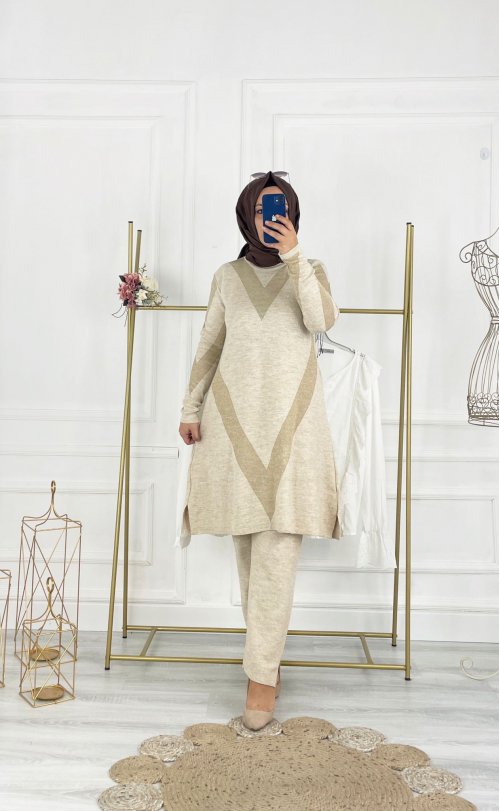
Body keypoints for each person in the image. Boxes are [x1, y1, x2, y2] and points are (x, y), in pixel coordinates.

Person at [178, 171, 341, 730]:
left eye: (282, 208)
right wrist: (190, 407)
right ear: (246, 215)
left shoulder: (311, 271)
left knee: (278, 552)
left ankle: (261, 679)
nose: (272, 218)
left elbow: (320, 321)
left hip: (293, 431)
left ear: (293, 214)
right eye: (262, 209)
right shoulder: (227, 277)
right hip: (232, 426)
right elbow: (210, 345)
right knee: (250, 553)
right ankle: (264, 662)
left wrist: (295, 257)